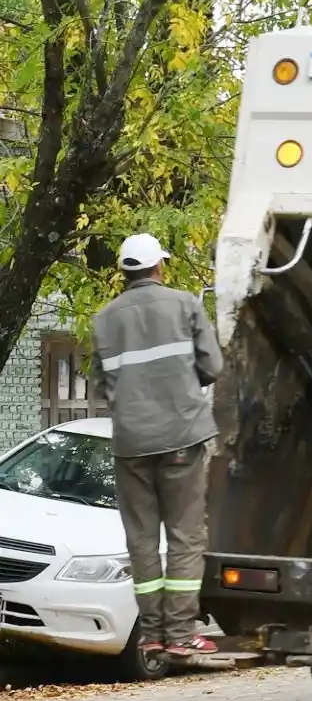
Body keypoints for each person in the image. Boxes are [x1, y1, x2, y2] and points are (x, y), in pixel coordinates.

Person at [91, 233, 225, 658]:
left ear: (124, 271)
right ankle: (181, 633)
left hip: (130, 445)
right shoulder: (185, 305)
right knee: (185, 536)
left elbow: (100, 385)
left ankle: (151, 634)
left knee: (142, 541)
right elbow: (213, 366)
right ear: (159, 267)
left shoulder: (103, 320)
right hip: (181, 436)